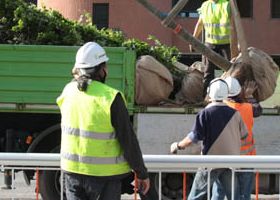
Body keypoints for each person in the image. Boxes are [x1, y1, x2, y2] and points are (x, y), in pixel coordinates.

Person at [57, 42, 150, 200]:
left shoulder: (68, 91)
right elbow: (128, 140)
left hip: (72, 172)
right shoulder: (111, 97)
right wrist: (141, 172)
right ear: (102, 69)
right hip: (104, 178)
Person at [170, 78, 247, 200]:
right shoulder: (235, 113)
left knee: (195, 196)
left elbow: (193, 137)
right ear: (227, 93)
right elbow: (244, 135)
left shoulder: (205, 113)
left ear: (209, 92)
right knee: (235, 196)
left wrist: (178, 145)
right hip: (230, 162)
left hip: (210, 163)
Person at [212, 76, 262, 200]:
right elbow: (258, 110)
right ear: (240, 91)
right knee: (244, 194)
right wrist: (249, 95)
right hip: (246, 159)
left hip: (224, 158)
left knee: (219, 192)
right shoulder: (248, 108)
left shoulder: (218, 108)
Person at [190, 0, 238, 98]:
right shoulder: (205, 5)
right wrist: (193, 40)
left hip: (226, 44)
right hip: (210, 44)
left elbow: (233, 28)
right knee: (207, 73)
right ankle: (206, 98)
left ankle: (231, 98)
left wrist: (234, 50)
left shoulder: (227, 4)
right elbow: (200, 23)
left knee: (231, 73)